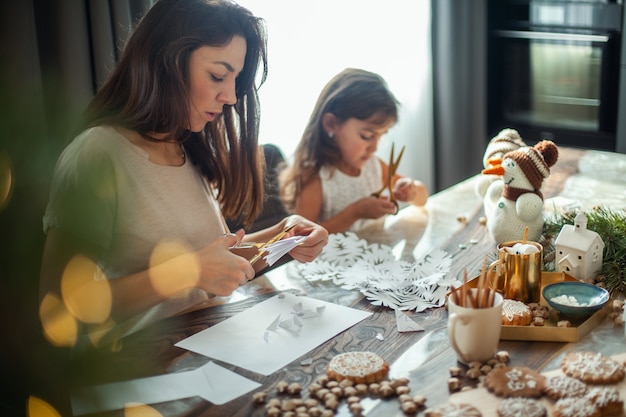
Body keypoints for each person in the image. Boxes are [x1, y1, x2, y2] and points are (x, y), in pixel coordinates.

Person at [38, 0, 328, 343]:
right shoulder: (98, 154)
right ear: (166, 61)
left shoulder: (185, 147)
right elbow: (57, 308)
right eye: (218, 76)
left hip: (211, 343)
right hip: (143, 368)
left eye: (235, 80)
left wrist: (281, 235)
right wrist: (182, 273)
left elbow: (213, 263)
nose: (232, 97)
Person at [279, 68, 429, 236]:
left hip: (376, 256)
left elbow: (422, 199)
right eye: (366, 136)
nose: (374, 147)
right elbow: (300, 237)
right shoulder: (316, 177)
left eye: (380, 136)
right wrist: (355, 212)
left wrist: (412, 191)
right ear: (331, 124)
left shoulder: (373, 166)